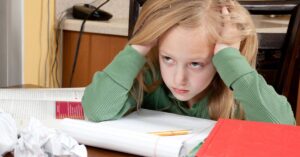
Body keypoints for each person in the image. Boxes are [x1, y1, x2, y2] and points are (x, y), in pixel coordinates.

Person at [82, 0, 295, 125]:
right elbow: (96, 109)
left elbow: (283, 127)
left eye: (196, 64)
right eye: (168, 59)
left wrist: (230, 59)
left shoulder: (235, 95)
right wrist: (140, 44)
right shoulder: (152, 78)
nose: (178, 79)